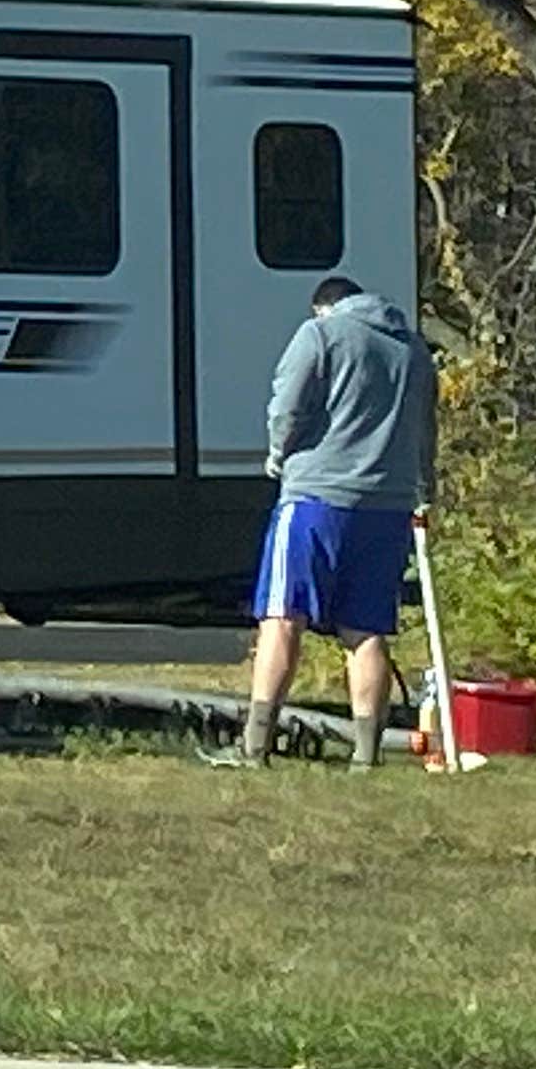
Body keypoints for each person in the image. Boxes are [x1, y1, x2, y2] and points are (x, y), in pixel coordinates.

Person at [224, 272, 437, 767]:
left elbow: (287, 405)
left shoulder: (320, 334)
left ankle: (254, 746)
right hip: (389, 504)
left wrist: (279, 456)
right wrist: (425, 490)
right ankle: (366, 755)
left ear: (324, 307)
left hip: (316, 496)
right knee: (365, 630)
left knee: (282, 617)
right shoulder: (415, 351)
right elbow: (426, 431)